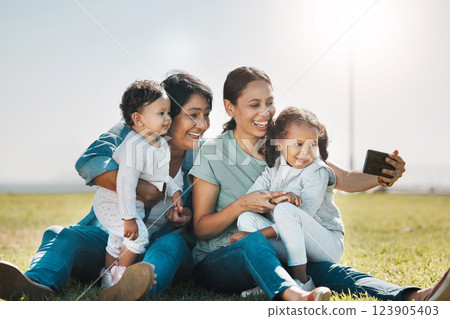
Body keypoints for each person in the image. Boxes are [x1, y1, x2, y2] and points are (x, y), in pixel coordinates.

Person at [189, 65, 449, 301]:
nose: (265, 113)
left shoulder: (284, 141)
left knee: (325, 269)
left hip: (277, 247)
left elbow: (343, 178)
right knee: (253, 243)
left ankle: (415, 297)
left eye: (269, 103)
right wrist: (243, 204)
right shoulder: (213, 153)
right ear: (230, 107)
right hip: (224, 257)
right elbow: (201, 229)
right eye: (254, 104)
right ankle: (297, 296)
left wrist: (382, 175)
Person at [0, 72, 213, 301]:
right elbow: (90, 161)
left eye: (207, 115)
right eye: (193, 115)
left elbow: (203, 218)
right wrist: (141, 189)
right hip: (116, 244)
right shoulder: (132, 131)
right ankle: (35, 284)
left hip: (160, 252)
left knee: (173, 243)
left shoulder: (203, 156)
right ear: (167, 113)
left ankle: (132, 291)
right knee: (62, 234)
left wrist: (186, 217)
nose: (202, 125)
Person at [235, 107, 344, 293]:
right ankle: (275, 278)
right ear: (279, 144)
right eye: (298, 144)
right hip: (291, 240)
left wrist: (258, 236)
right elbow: (252, 198)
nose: (306, 152)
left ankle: (302, 280)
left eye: (313, 144)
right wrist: (277, 198)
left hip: (325, 245)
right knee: (245, 218)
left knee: (285, 211)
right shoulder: (274, 168)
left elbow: (299, 219)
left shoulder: (317, 171)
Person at [93, 80, 183, 292]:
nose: (168, 118)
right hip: (112, 203)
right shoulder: (133, 146)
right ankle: (122, 280)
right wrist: (128, 218)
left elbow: (161, 176)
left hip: (130, 206)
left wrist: (175, 191)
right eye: (161, 113)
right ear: (138, 119)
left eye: (168, 112)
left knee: (116, 243)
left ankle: (107, 279)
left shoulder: (160, 144)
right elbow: (125, 184)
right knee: (138, 237)